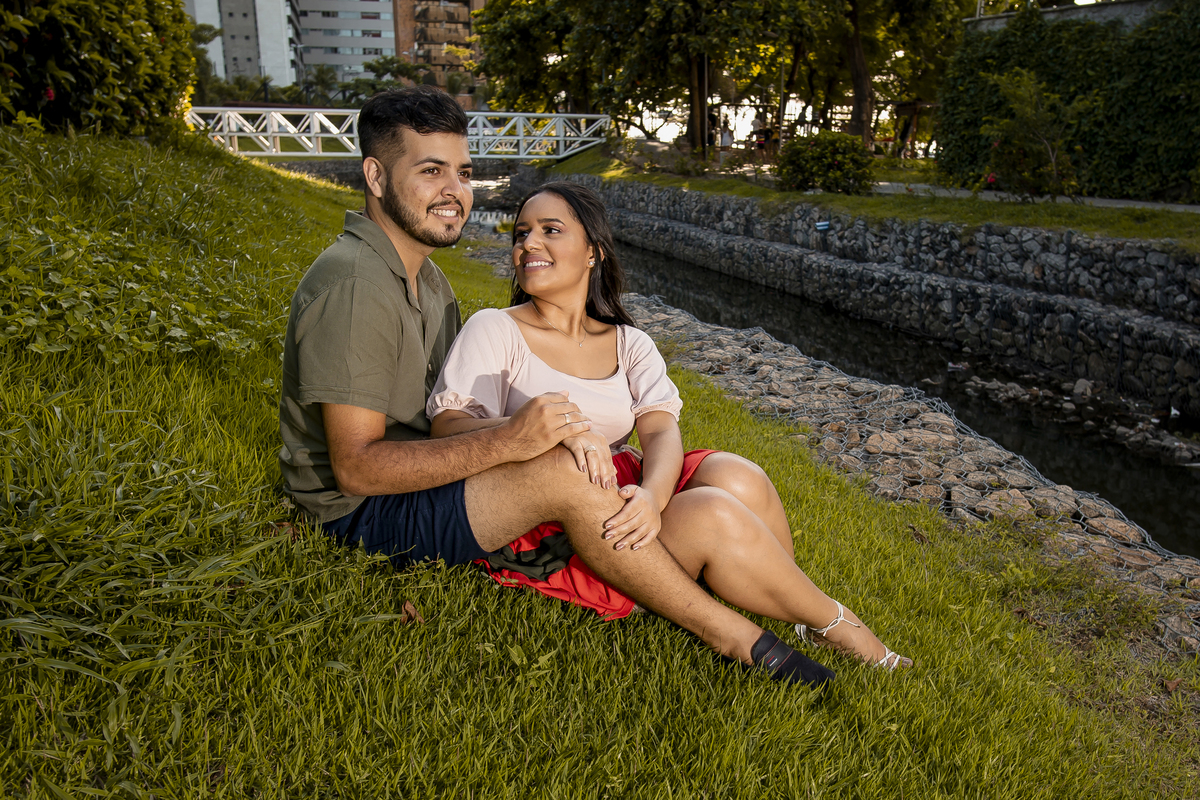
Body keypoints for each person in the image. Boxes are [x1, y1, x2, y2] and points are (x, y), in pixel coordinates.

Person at [277, 86, 837, 689]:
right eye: (430, 171)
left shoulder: (428, 281)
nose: (455, 192)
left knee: (618, 461)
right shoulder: (357, 287)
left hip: (428, 477)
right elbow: (357, 471)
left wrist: (545, 431)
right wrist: (518, 442)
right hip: (362, 514)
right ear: (376, 176)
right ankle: (734, 635)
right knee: (557, 469)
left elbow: (456, 413)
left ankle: (777, 596)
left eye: (463, 172)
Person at [426, 181, 911, 672]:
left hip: (626, 483)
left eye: (551, 230)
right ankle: (846, 630)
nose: (528, 243)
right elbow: (449, 426)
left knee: (741, 476)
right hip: (556, 513)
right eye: (521, 232)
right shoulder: (495, 328)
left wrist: (655, 499)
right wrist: (550, 429)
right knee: (710, 511)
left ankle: (789, 602)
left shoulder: (628, 342)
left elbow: (658, 431)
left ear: (593, 252)